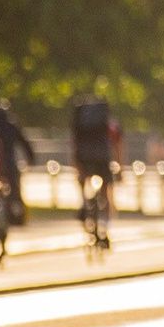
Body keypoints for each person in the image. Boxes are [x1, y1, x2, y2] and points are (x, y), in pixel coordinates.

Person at [71, 93, 120, 234]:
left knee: (82, 180)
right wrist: (119, 169)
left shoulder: (80, 124)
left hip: (83, 156)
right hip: (102, 157)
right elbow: (117, 145)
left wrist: (76, 165)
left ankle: (84, 203)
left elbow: (73, 144)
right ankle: (104, 223)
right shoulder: (108, 124)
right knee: (105, 189)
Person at [0, 104, 35, 228]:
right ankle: (18, 213)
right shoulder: (12, 125)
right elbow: (24, 143)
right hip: (10, 164)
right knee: (15, 190)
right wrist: (31, 159)